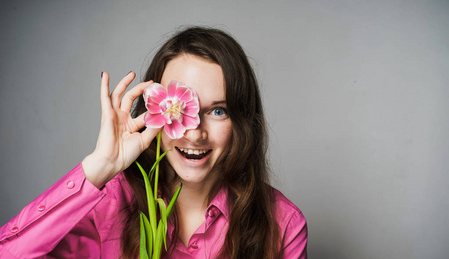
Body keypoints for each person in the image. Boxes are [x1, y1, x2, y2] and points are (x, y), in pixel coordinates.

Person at [0, 27, 307, 258]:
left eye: (218, 110)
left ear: (241, 120)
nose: (194, 131)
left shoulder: (282, 224)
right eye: (179, 107)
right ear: (153, 111)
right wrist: (97, 168)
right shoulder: (110, 205)